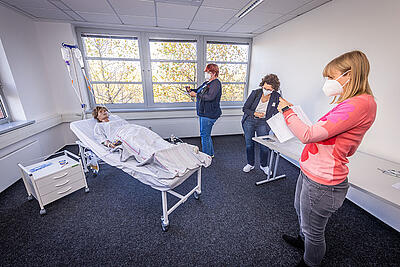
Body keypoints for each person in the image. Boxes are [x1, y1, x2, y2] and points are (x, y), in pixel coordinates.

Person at [278, 51, 377, 267]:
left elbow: (308, 135)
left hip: (323, 181)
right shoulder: (352, 102)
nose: (328, 82)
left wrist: (287, 111)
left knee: (314, 231)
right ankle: (303, 242)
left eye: (332, 77)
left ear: (349, 75)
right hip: (311, 171)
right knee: (300, 211)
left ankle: (310, 262)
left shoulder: (359, 104)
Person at [241, 74, 281, 174]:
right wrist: (255, 113)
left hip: (263, 122)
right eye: (264, 87)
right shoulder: (255, 93)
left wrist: (277, 128)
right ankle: (250, 164)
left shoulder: (276, 96)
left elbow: (277, 112)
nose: (265, 90)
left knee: (264, 145)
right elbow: (245, 108)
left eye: (268, 89)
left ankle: (264, 165)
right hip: (250, 120)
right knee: (249, 144)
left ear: (274, 89)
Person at [186, 63, 222, 157]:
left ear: (214, 73)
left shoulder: (216, 84)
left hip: (209, 114)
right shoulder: (207, 83)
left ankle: (206, 157)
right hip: (203, 113)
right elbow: (198, 91)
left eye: (208, 72)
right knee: (206, 135)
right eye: (206, 72)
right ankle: (210, 154)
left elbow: (210, 97)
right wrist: (191, 91)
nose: (206, 74)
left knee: (204, 135)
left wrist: (196, 95)